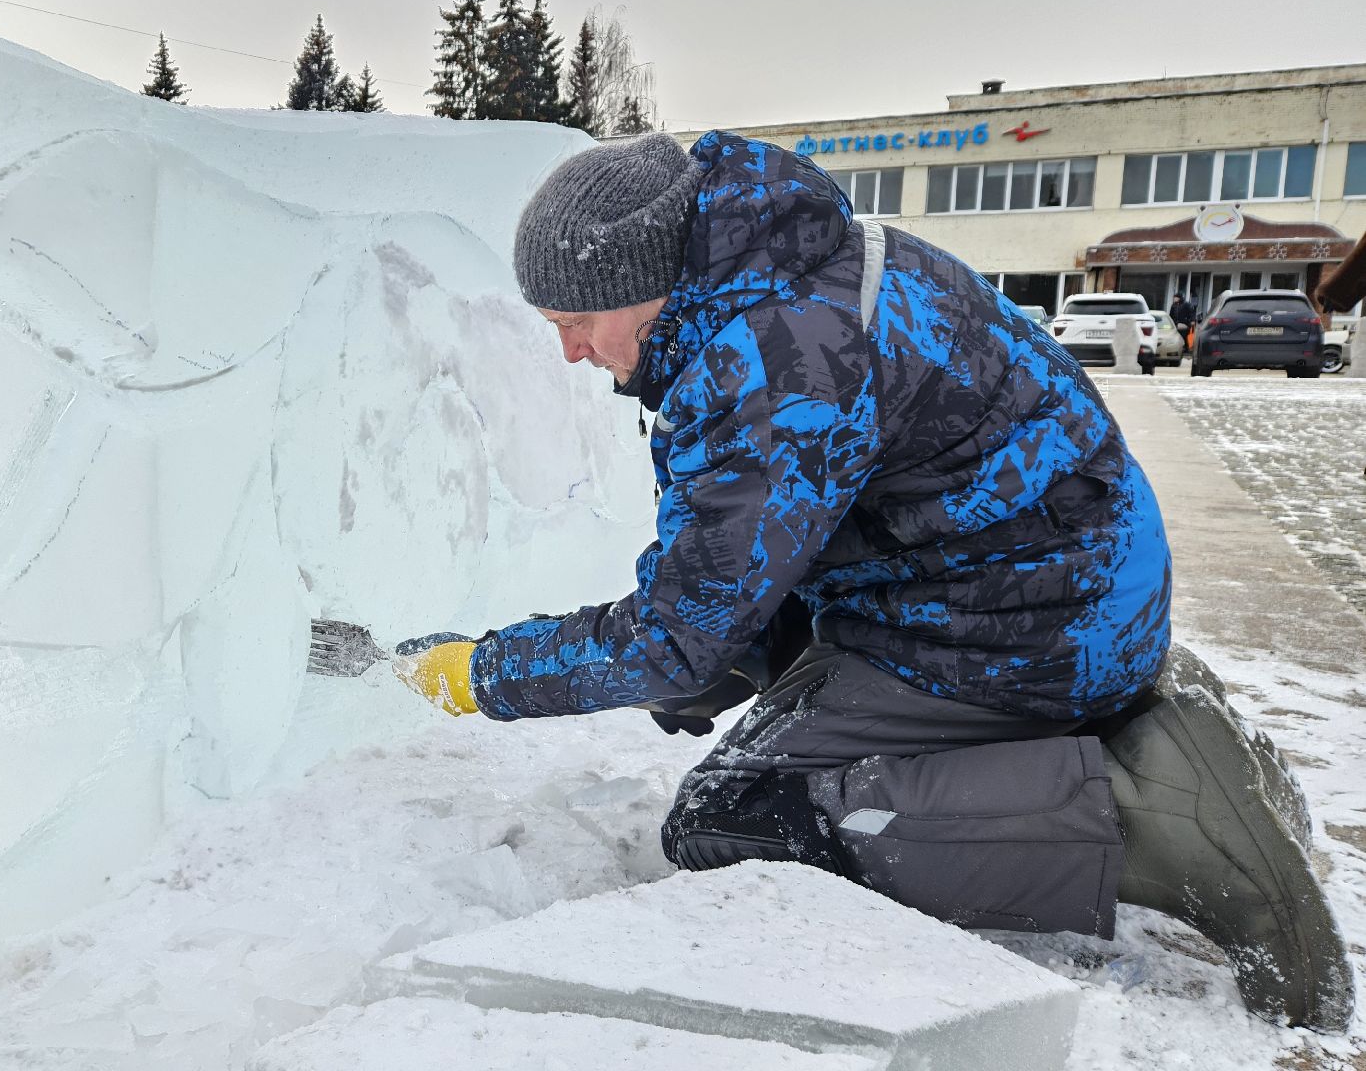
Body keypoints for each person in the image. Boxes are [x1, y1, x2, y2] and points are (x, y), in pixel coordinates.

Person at [392, 132, 1353, 1031]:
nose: (568, 351)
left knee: (733, 818)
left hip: (1025, 627)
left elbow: (674, 631)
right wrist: (735, 653)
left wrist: (480, 674)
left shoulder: (770, 359)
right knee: (734, 684)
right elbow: (793, 530)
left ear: (645, 285)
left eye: (576, 321)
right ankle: (1119, 726)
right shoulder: (792, 267)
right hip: (1051, 584)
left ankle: (1151, 814)